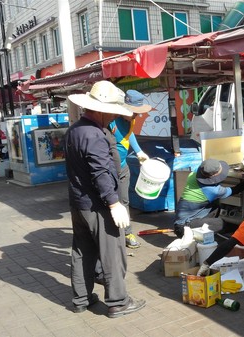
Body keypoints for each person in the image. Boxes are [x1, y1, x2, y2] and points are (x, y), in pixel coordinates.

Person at [65, 80, 145, 318]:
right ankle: (118, 302)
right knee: (112, 252)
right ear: (100, 109)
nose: (114, 117)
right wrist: (114, 203)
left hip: (79, 203)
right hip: (98, 205)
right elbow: (100, 172)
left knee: (82, 251)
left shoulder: (75, 130)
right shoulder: (95, 135)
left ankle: (81, 298)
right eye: (112, 111)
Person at [110, 89, 151, 249]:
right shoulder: (111, 121)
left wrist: (139, 151)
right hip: (108, 170)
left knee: (124, 201)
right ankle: (112, 235)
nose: (137, 115)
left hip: (123, 167)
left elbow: (130, 134)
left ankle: (127, 233)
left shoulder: (130, 119)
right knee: (110, 202)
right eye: (134, 112)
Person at [173, 158, 244, 238]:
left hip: (183, 218)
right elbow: (236, 190)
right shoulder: (213, 191)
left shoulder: (193, 174)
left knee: (215, 205)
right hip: (185, 227)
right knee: (223, 225)